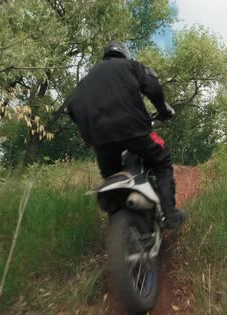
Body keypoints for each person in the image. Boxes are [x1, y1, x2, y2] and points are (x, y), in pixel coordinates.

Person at [62, 41, 187, 229]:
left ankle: (119, 214)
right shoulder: (131, 66)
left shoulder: (87, 79)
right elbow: (152, 86)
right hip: (135, 130)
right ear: (125, 55)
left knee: (111, 175)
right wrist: (163, 110)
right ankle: (170, 214)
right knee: (162, 160)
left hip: (101, 140)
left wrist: (91, 128)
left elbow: (71, 107)